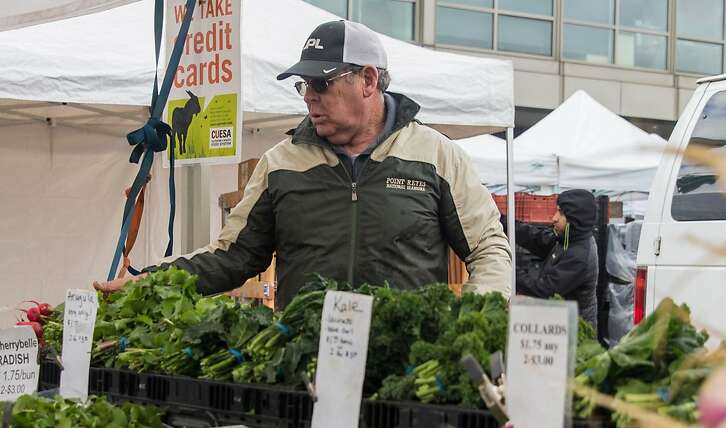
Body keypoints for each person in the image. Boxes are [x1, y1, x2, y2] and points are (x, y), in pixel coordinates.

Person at [96, 20, 511, 306]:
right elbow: (232, 255)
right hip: (306, 365)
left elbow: (489, 250)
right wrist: (149, 281)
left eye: (321, 83)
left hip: (404, 364)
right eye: (303, 85)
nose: (309, 95)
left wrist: (470, 316)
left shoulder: (437, 156)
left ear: (368, 80)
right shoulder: (282, 163)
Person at [511, 189, 599, 330]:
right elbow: (536, 238)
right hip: (559, 323)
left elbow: (544, 289)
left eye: (561, 213)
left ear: (575, 218)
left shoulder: (579, 256)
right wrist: (503, 222)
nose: (554, 218)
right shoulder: (568, 238)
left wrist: (509, 271)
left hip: (574, 332)